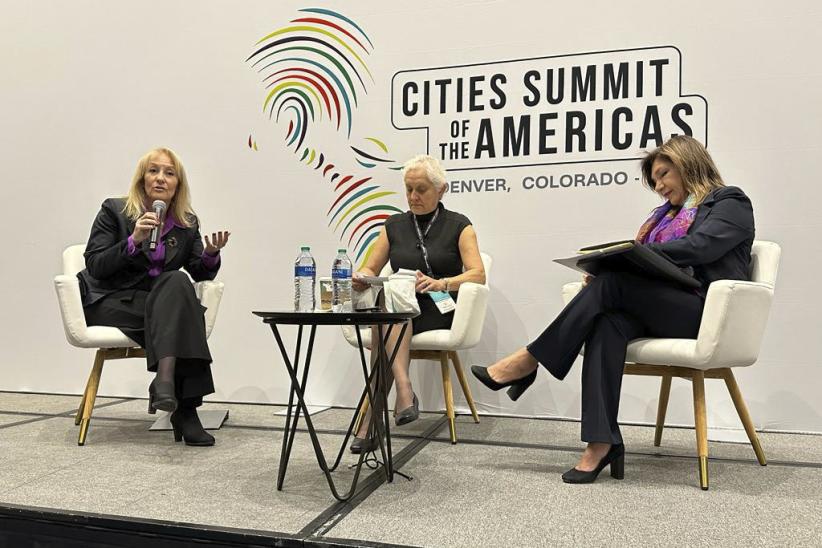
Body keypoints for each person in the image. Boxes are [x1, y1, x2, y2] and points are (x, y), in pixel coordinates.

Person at [471, 135, 755, 483]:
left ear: (688, 164)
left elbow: (699, 248)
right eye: (655, 181)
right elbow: (655, 266)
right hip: (662, 308)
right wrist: (612, 265)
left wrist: (620, 264)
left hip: (704, 312)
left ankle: (528, 361)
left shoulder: (730, 202)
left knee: (612, 282)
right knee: (608, 322)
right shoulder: (664, 218)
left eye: (664, 174)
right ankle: (600, 442)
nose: (660, 186)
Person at [77, 147, 230, 446]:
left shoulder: (187, 222)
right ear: (142, 179)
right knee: (186, 316)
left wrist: (211, 255)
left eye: (169, 173)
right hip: (112, 300)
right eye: (153, 171)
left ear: (178, 184)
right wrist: (133, 241)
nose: (160, 178)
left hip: (157, 305)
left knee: (177, 281)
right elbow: (95, 264)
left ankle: (165, 383)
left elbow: (200, 271)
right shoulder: (115, 211)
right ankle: (185, 409)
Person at [349, 155, 486, 453]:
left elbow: (478, 273)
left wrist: (443, 283)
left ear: (441, 190)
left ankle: (375, 417)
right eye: (409, 189)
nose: (413, 196)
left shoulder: (459, 225)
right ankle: (403, 391)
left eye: (421, 189)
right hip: (399, 306)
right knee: (388, 307)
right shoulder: (393, 226)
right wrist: (362, 278)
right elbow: (371, 268)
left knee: (386, 316)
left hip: (438, 306)